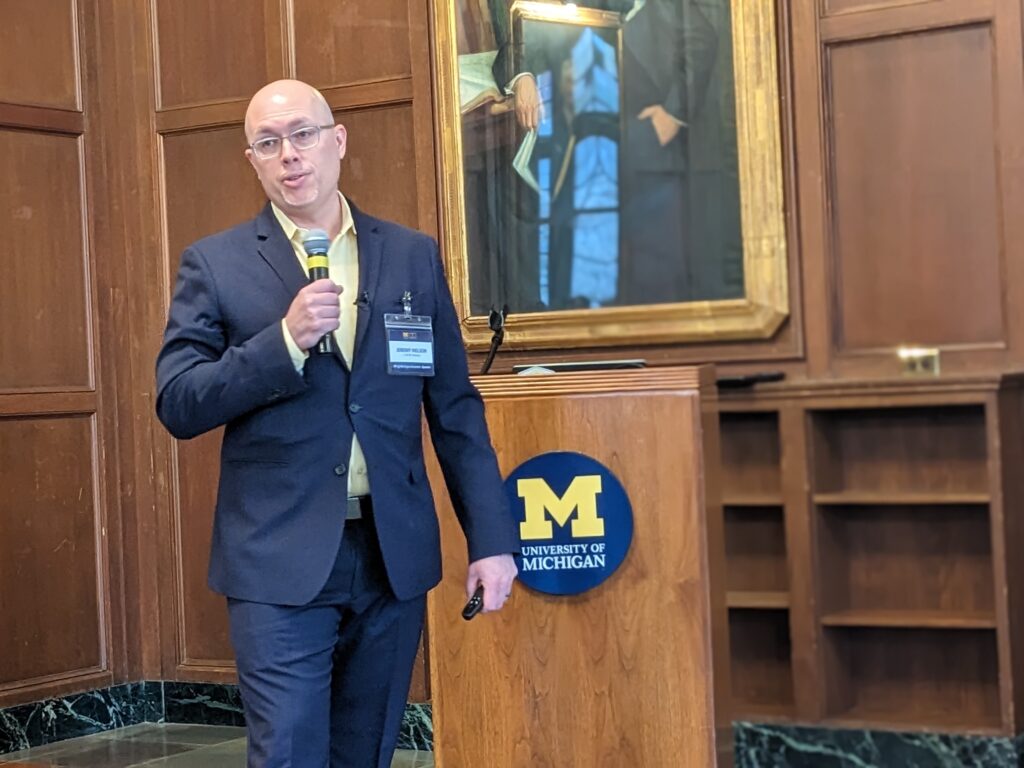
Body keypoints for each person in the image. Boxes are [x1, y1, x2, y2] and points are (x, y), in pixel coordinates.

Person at [155, 79, 519, 768]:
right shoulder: (217, 263)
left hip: (391, 556)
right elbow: (178, 401)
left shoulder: (410, 255)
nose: (289, 155)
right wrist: (282, 343)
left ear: (337, 141)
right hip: (279, 559)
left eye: (302, 134)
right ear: (253, 161)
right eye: (269, 143)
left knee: (366, 753)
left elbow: (454, 409)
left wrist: (492, 539)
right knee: (290, 753)